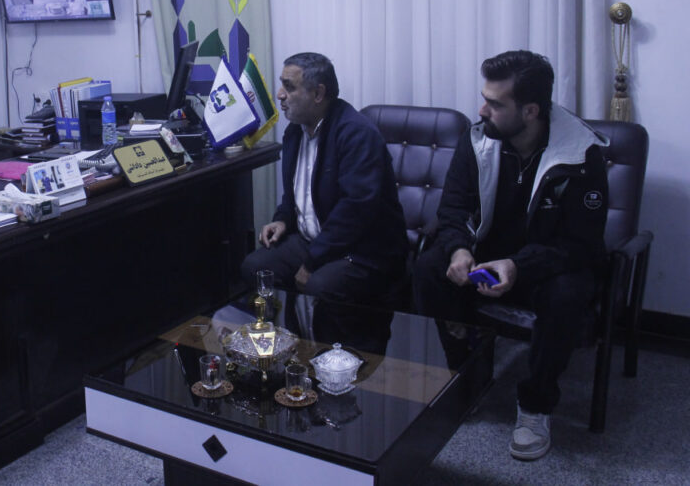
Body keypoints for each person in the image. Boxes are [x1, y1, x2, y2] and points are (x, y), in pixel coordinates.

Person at [412, 50, 608, 461]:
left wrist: (518, 266)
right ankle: (468, 371)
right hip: (486, 262)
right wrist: (459, 249)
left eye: (495, 104)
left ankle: (536, 405)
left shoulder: (581, 154)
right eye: (484, 98)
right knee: (430, 266)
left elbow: (580, 245)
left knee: (568, 293)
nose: (482, 110)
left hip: (546, 268)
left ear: (531, 111)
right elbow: (452, 208)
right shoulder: (478, 139)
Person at [240, 52, 408, 307]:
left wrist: (311, 263)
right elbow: (296, 194)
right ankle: (284, 330)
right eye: (282, 85)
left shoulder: (356, 134)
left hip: (363, 249)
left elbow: (354, 212)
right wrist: (283, 219)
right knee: (255, 267)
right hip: (315, 241)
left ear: (318, 94)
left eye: (289, 87)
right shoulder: (295, 131)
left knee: (320, 286)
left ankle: (324, 335)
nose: (280, 95)